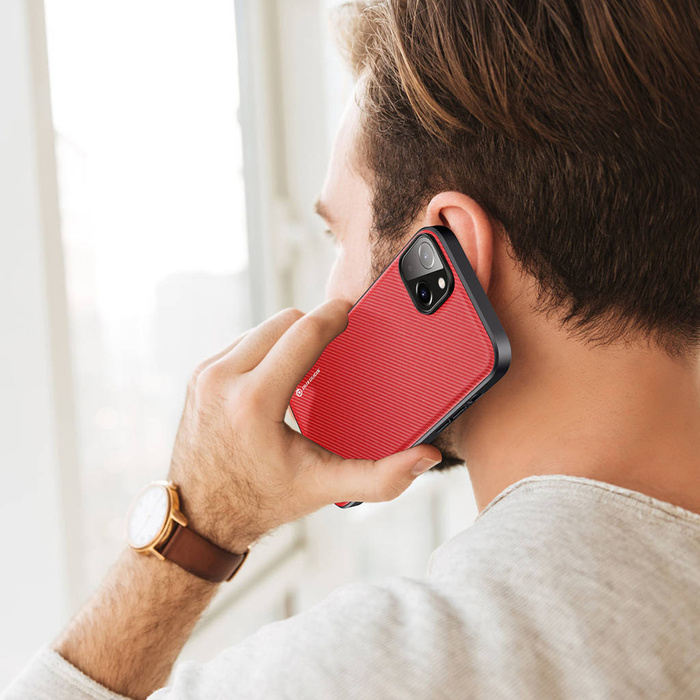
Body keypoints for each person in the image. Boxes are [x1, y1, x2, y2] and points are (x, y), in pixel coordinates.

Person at [5, 0, 700, 698]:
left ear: (453, 252)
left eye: (337, 237)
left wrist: (201, 522)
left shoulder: (371, 672)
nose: (327, 292)